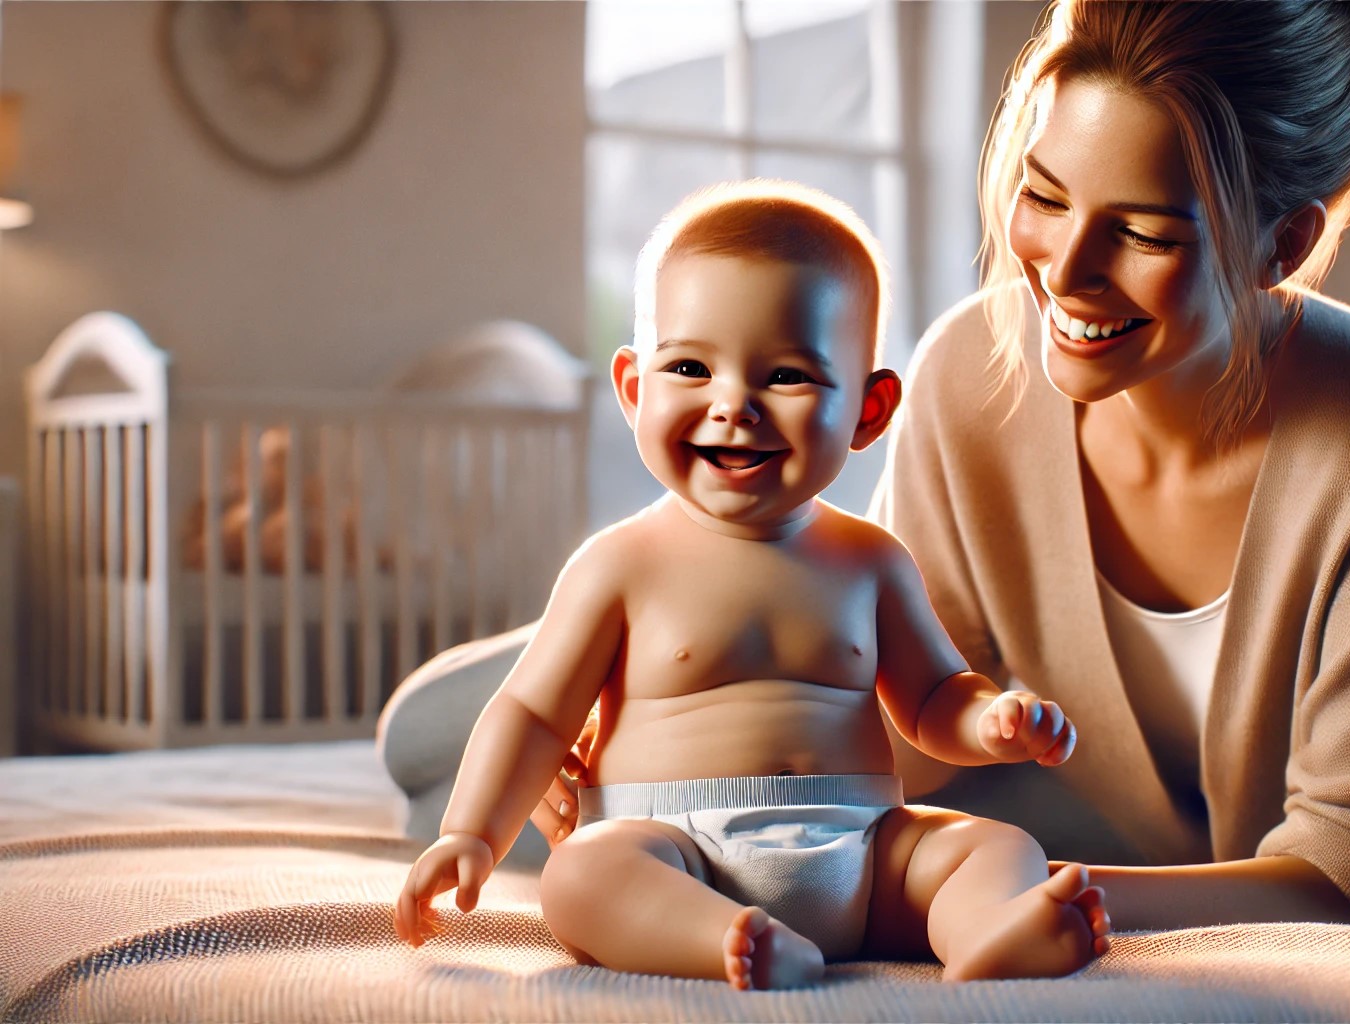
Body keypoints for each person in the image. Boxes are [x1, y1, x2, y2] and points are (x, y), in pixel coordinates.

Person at [532, 0, 1350, 933]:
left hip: (956, 815)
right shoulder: (970, 369)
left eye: (1143, 232)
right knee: (448, 733)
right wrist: (603, 727)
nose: (1063, 271)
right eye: (1043, 194)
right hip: (750, 674)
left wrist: (1017, 895)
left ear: (1281, 242)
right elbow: (895, 722)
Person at [392, 180, 1111, 990]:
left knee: (994, 846)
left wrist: (990, 721)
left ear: (870, 412)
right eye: (692, 367)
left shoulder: (871, 562)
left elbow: (933, 698)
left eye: (789, 377)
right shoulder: (619, 565)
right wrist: (471, 833)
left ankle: (990, 931)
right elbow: (530, 712)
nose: (734, 406)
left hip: (867, 848)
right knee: (582, 876)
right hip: (679, 849)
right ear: (634, 391)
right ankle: (726, 940)